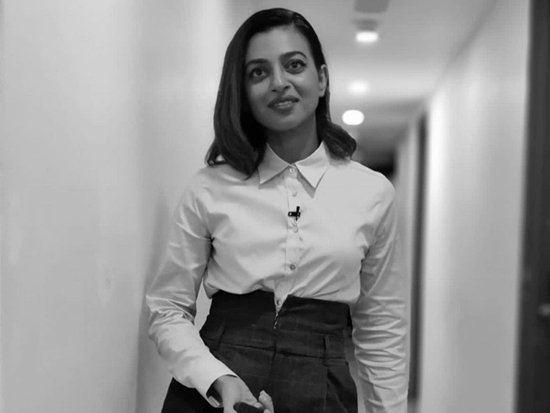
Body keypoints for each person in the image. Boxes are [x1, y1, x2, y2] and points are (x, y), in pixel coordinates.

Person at [146, 7, 408, 413]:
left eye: (294, 65)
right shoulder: (209, 187)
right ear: (243, 92)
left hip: (323, 390)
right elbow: (167, 309)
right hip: (216, 389)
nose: (279, 83)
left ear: (321, 79)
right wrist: (216, 378)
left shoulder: (372, 193)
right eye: (258, 72)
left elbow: (382, 326)